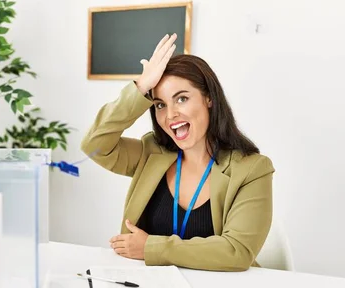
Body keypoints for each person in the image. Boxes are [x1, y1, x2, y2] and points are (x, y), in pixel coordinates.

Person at [80, 33, 274, 272]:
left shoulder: (252, 169)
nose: (170, 115)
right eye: (160, 104)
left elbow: (237, 252)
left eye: (181, 99)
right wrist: (141, 88)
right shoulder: (150, 153)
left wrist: (150, 247)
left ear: (209, 98)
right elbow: (94, 145)